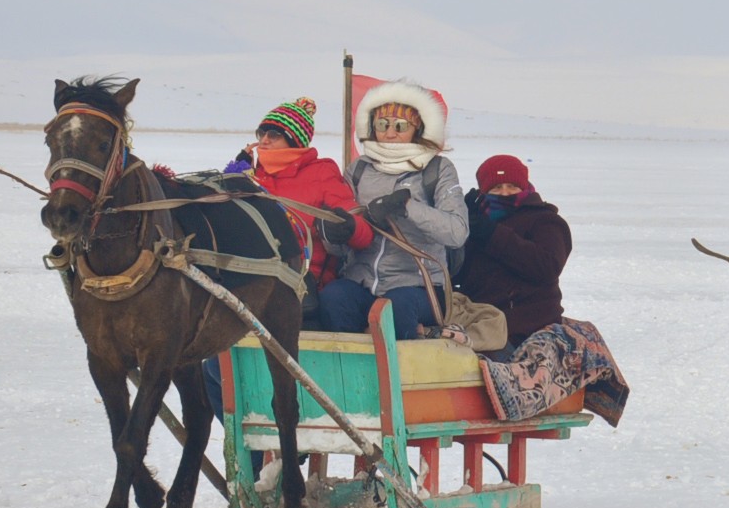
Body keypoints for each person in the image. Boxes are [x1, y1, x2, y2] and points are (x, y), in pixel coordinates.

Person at [318, 80, 469, 340]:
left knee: (395, 308)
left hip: (420, 287)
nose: (389, 133)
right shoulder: (359, 170)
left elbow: (457, 232)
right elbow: (340, 249)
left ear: (418, 129)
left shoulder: (437, 169)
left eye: (400, 126)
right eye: (381, 125)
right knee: (333, 298)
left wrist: (407, 207)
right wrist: (336, 232)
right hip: (362, 281)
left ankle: (406, 378)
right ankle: (346, 374)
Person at [219, 97, 371, 311]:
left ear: (294, 140)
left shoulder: (321, 173)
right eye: (261, 133)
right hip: (253, 276)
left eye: (273, 135)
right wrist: (232, 178)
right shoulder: (250, 177)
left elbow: (357, 223)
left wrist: (350, 227)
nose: (264, 140)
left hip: (304, 280)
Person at [456, 154, 573, 356]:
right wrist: (458, 228)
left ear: (524, 187)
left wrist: (492, 234)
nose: (505, 193)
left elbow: (547, 267)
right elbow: (456, 274)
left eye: (512, 186)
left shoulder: (546, 221)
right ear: (484, 191)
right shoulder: (475, 223)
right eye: (496, 188)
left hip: (529, 324)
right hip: (480, 319)